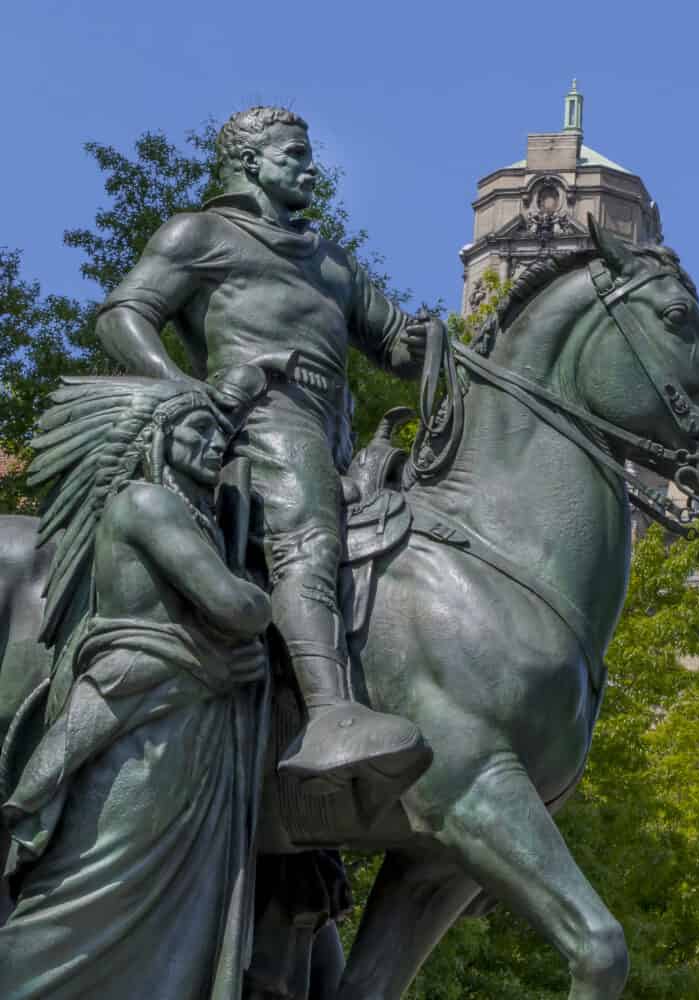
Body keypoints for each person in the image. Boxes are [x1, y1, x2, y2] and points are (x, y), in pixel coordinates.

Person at [94, 105, 436, 792]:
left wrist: (442, 343)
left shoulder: (331, 262)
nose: (311, 168)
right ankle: (330, 713)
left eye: (309, 155)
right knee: (306, 530)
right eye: (294, 154)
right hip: (258, 416)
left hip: (334, 430)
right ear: (250, 162)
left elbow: (395, 344)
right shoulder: (201, 233)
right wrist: (183, 389)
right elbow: (123, 314)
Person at [0, 374, 271, 999]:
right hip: (144, 711)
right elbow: (236, 609)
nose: (214, 447)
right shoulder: (147, 504)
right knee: (97, 884)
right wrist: (263, 593)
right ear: (158, 435)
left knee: (177, 911)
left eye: (221, 438)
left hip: (190, 718)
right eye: (199, 432)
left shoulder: (196, 517)